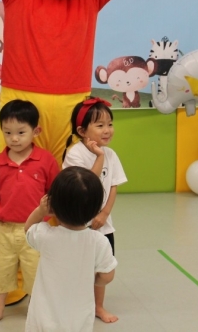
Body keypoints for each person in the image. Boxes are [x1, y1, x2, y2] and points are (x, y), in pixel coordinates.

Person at [0, 100, 59, 324]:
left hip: (35, 229)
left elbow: (55, 192)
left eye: (21, 132)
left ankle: (36, 310)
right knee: (1, 270)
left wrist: (57, 219)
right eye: (8, 133)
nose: (14, 138)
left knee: (35, 271)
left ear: (36, 131)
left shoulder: (45, 160)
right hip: (4, 229)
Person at [24, 166, 117, 332]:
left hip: (43, 317)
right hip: (79, 318)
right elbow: (107, 276)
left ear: (54, 205)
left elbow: (28, 230)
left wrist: (40, 211)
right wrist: (93, 280)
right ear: (95, 209)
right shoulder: (99, 241)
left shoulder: (46, 235)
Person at [62, 97, 127, 323]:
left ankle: (98, 306)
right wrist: (99, 156)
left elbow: (113, 185)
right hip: (79, 225)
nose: (107, 130)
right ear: (82, 131)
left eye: (110, 124)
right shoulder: (76, 154)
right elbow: (88, 183)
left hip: (103, 224)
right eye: (100, 125)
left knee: (103, 269)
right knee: (80, 268)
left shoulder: (112, 154)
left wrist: (105, 213)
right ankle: (77, 306)